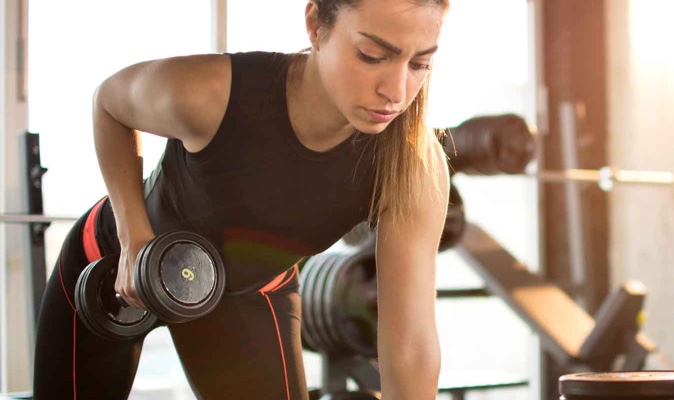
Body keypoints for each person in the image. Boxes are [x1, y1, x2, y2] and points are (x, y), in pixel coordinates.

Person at [32, 0, 449, 398]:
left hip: (245, 293)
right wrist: (133, 237)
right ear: (315, 26)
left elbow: (410, 342)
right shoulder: (213, 92)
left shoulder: (412, 165)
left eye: (420, 64)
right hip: (115, 264)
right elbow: (109, 104)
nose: (396, 90)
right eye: (372, 55)